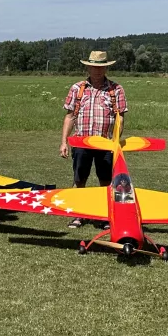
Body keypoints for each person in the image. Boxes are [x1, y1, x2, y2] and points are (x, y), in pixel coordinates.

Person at [61, 50, 128, 228]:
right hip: (81, 142)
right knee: (79, 179)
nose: (97, 71)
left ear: (106, 68)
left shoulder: (116, 90)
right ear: (88, 68)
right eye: (94, 67)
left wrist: (116, 140)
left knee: (105, 181)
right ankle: (78, 214)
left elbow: (120, 118)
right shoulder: (77, 88)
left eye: (101, 67)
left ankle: (103, 215)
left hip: (105, 143)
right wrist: (63, 142)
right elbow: (69, 116)